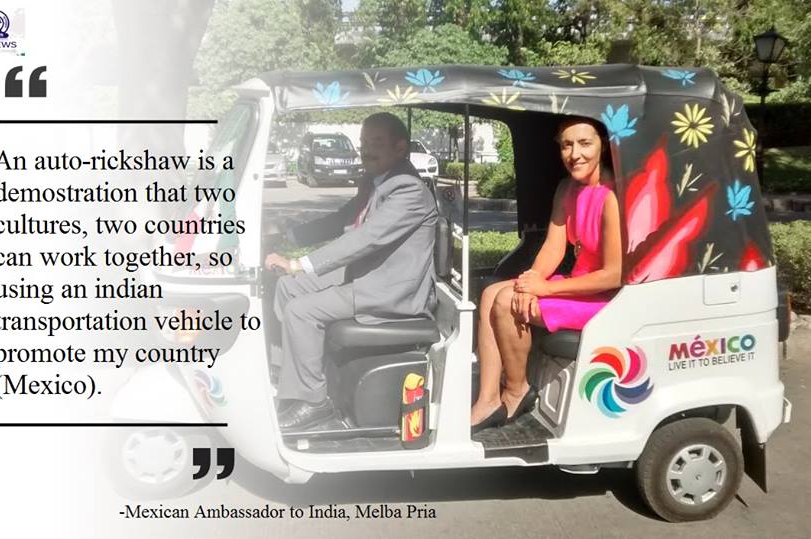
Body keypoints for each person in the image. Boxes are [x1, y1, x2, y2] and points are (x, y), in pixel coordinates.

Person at [265, 112, 438, 431]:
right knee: (288, 286)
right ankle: (288, 380)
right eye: (363, 142)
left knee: (302, 311)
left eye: (376, 142)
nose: (366, 150)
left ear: (400, 147)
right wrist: (287, 236)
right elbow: (343, 220)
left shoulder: (408, 190)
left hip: (390, 290)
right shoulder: (376, 181)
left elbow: (366, 239)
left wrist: (300, 263)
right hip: (369, 275)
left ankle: (314, 403)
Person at [470, 117, 622, 433]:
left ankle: (517, 389)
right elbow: (554, 247)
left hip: (605, 298)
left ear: (603, 147)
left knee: (506, 303)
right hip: (576, 287)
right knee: (490, 293)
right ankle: (488, 399)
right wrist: (531, 282)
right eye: (567, 145)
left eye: (585, 143)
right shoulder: (567, 189)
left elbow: (613, 275)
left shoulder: (611, 197)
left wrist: (545, 290)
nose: (575, 154)